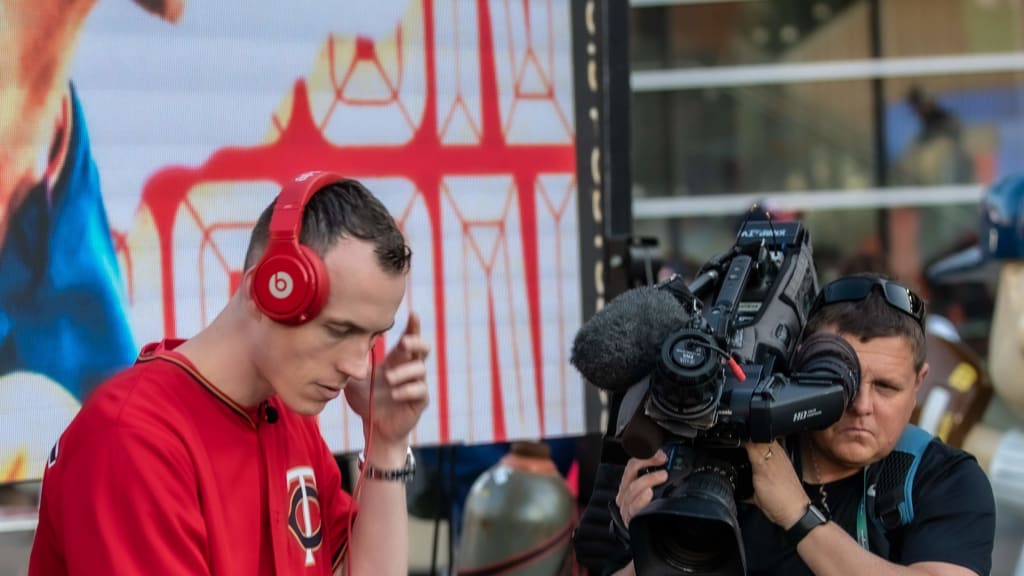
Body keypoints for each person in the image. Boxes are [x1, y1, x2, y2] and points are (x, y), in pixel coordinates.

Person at [28, 171, 430, 575]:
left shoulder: (287, 416)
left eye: (372, 337)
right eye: (339, 330)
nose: (359, 366)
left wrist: (386, 442)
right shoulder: (133, 438)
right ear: (270, 291)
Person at [609, 273, 995, 575]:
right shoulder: (723, 454)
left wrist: (797, 513)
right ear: (800, 371)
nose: (861, 406)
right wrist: (645, 539)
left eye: (887, 388)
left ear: (918, 384)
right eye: (842, 383)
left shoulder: (944, 479)